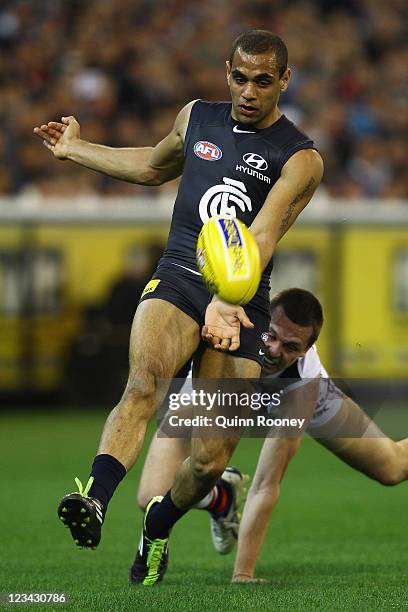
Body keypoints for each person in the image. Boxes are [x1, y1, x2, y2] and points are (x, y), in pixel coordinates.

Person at [33, 30, 323, 586]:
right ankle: (94, 498)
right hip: (178, 280)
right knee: (144, 384)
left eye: (263, 81)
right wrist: (76, 149)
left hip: (242, 303)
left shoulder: (302, 158)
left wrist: (225, 298)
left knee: (209, 459)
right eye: (240, 78)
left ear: (284, 80)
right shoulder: (196, 118)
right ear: (227, 72)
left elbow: (260, 238)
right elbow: (151, 166)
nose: (249, 91)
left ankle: (159, 525)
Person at [135, 288, 408, 584]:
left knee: (393, 467)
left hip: (292, 397)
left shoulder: (303, 386)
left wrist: (243, 573)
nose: (276, 350)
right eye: (271, 336)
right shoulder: (230, 323)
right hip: (219, 392)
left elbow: (267, 483)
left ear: (305, 351)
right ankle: (219, 497)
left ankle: (220, 495)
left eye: (291, 346)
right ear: (262, 320)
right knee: (152, 497)